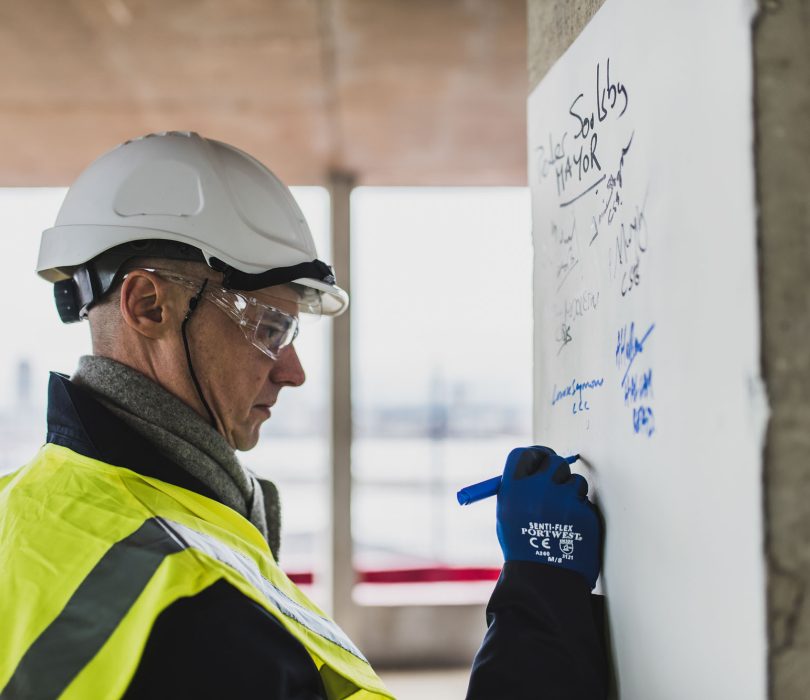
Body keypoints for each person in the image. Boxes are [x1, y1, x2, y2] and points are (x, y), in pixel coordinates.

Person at [0, 132, 606, 699]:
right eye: (268, 328)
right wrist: (542, 592)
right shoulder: (192, 604)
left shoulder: (23, 510)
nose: (293, 371)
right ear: (149, 305)